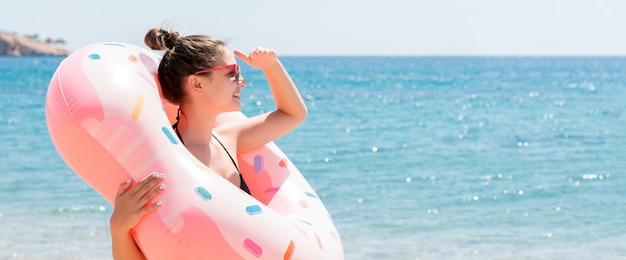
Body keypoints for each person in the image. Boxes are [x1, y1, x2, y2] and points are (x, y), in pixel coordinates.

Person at [109, 27, 307, 259]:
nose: (242, 82)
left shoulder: (228, 139)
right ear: (197, 84)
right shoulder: (163, 160)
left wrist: (271, 66)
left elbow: (293, 114)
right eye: (232, 73)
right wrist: (119, 227)